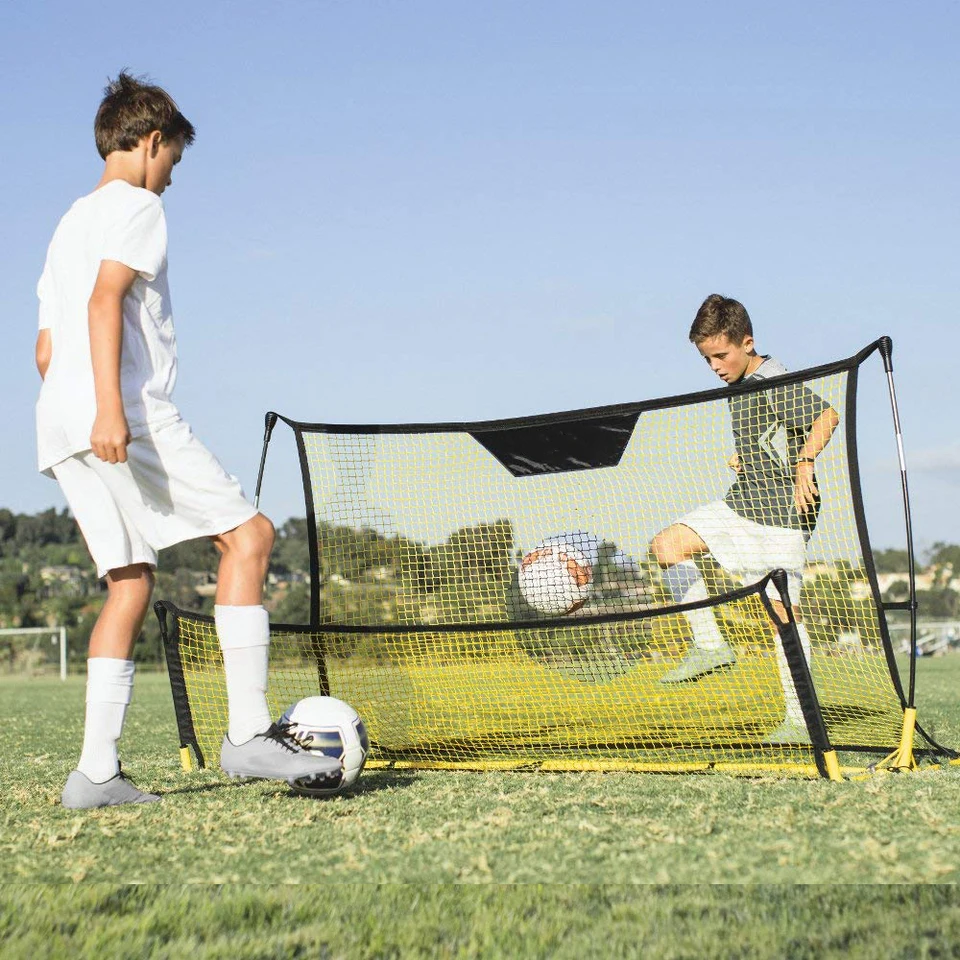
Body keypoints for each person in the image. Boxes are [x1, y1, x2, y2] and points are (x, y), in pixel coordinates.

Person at [35, 72, 340, 808]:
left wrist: (80, 410)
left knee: (129, 582)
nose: (171, 177)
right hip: (125, 410)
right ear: (149, 142)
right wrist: (113, 409)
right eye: (173, 158)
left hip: (58, 420)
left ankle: (96, 776)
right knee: (250, 537)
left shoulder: (68, 222)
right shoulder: (136, 206)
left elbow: (47, 348)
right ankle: (246, 735)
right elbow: (107, 301)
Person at [649, 294, 839, 743]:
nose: (714, 366)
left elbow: (826, 415)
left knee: (781, 612)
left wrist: (806, 462)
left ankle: (801, 719)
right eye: (706, 358)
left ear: (747, 343)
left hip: (780, 513)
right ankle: (712, 647)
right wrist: (751, 456)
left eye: (721, 355)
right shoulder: (739, 381)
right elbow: (776, 432)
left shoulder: (771, 379)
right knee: (667, 547)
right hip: (744, 500)